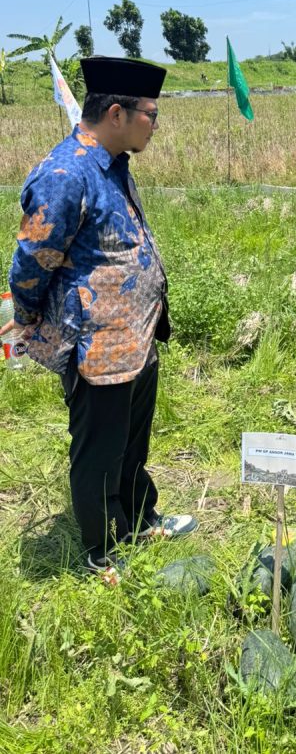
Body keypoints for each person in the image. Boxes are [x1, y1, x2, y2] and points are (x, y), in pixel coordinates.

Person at [3, 57, 197, 582]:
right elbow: (30, 261)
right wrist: (24, 319)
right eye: (151, 115)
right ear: (117, 113)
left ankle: (138, 518)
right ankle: (100, 550)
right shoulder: (65, 175)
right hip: (97, 346)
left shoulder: (112, 162)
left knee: (132, 441)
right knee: (99, 451)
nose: (155, 124)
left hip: (135, 334)